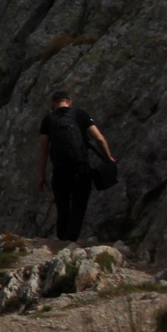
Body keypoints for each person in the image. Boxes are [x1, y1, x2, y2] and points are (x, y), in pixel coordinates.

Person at [36, 89, 116, 241]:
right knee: (79, 204)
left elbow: (43, 150)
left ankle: (61, 239)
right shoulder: (80, 114)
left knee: (62, 206)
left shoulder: (48, 120)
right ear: (69, 102)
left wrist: (41, 175)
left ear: (53, 104)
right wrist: (108, 157)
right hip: (81, 167)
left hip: (60, 169)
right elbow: (99, 139)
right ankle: (71, 239)